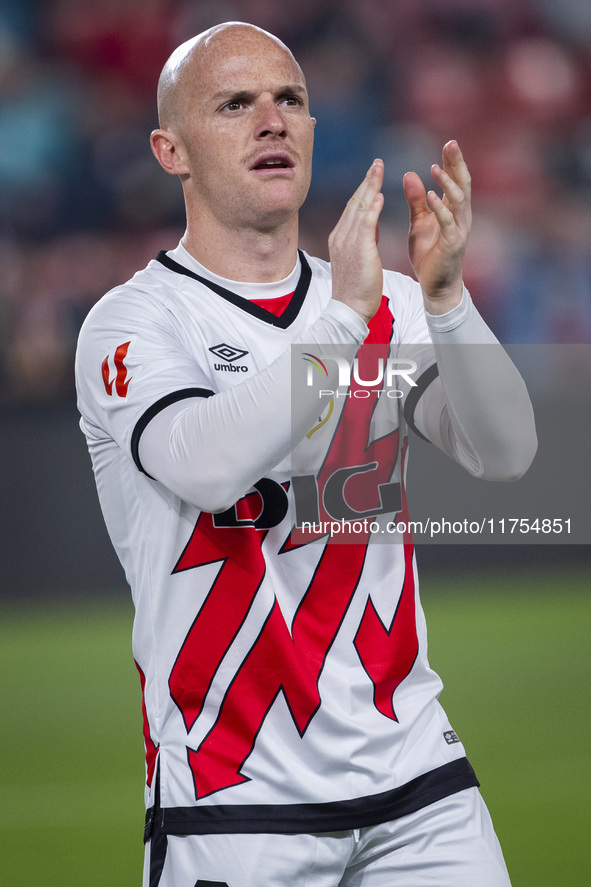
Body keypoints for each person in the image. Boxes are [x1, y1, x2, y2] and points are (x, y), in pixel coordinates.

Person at [75, 21, 537, 887]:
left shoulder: (385, 299)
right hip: (234, 796)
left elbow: (507, 453)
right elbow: (206, 464)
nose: (271, 120)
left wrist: (443, 300)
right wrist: (342, 321)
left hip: (417, 783)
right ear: (170, 151)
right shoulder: (136, 322)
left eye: (289, 99)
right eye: (234, 104)